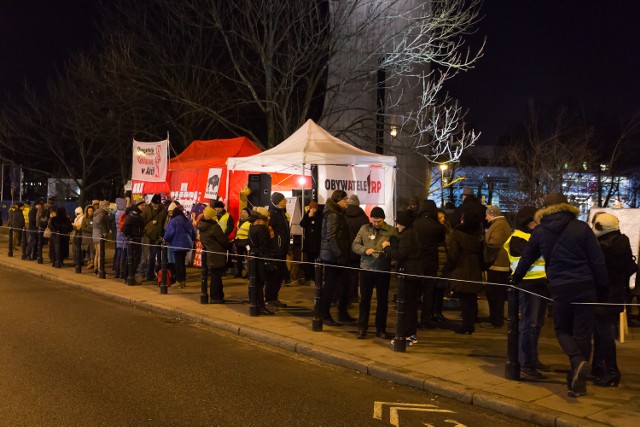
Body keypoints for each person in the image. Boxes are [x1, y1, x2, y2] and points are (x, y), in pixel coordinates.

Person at [511, 192, 608, 398]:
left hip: (560, 287)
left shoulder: (540, 231)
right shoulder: (581, 228)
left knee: (562, 329)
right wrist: (602, 287)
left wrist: (515, 279)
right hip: (585, 285)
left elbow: (527, 258)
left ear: (544, 209)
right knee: (583, 333)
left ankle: (576, 361)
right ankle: (576, 383)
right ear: (566, 206)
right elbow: (597, 260)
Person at [504, 206, 550, 378]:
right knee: (528, 325)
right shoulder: (517, 238)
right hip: (527, 285)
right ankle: (526, 362)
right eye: (535, 221)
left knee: (536, 325)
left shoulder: (533, 236)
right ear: (527, 222)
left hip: (540, 284)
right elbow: (533, 254)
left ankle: (532, 359)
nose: (538, 224)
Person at [591, 212, 634, 387]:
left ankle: (611, 371)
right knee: (603, 333)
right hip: (616, 295)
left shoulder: (602, 247)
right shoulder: (622, 242)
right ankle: (599, 367)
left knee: (604, 334)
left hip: (603, 296)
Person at [352, 206, 397, 339]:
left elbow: (395, 248)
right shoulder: (364, 229)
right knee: (364, 300)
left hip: (383, 269)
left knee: (382, 301)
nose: (376, 224)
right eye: (374, 221)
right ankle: (362, 327)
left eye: (379, 221)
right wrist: (365, 250)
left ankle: (380, 328)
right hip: (366, 268)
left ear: (383, 219)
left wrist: (388, 249)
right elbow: (354, 245)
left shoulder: (391, 231)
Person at [442, 211, 485, 335]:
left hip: (461, 268)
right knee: (471, 298)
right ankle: (470, 324)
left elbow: (453, 254)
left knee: (464, 299)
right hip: (474, 268)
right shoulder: (478, 234)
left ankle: (466, 326)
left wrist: (448, 268)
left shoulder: (458, 233)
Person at [384, 211, 421, 346]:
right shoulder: (410, 234)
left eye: (398, 223)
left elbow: (400, 254)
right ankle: (410, 334)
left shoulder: (407, 236)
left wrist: (387, 248)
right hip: (412, 273)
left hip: (408, 275)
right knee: (410, 305)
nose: (396, 225)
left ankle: (406, 335)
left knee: (407, 306)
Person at [319, 190, 354, 325]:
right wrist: (339, 255)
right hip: (333, 257)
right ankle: (325, 314)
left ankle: (342, 313)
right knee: (330, 286)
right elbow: (331, 236)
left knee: (342, 285)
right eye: (345, 199)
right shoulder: (334, 215)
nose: (347, 202)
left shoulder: (337, 213)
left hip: (335, 255)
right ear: (338, 200)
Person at [412, 199, 446, 329]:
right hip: (431, 261)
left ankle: (413, 319)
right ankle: (425, 320)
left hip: (416, 261)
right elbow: (441, 240)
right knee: (428, 293)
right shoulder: (437, 226)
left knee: (415, 292)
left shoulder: (415, 223)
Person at [482, 205, 512, 328]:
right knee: (496, 295)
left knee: (495, 295)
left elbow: (495, 243)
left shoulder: (499, 225)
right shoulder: (501, 224)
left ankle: (496, 320)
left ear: (492, 214)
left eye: (487, 215)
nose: (486, 217)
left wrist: (483, 242)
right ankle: (495, 319)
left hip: (498, 265)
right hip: (498, 265)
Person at [198, 206, 230, 302]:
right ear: (212, 217)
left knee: (215, 275)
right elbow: (223, 239)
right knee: (216, 276)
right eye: (215, 215)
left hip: (210, 253)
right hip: (217, 253)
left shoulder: (203, 225)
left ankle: (219, 295)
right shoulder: (214, 227)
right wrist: (228, 245)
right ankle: (215, 297)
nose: (216, 217)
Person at [248, 206, 275, 315]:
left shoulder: (252, 226)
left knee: (254, 283)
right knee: (260, 283)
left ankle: (254, 305)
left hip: (253, 257)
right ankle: (260, 306)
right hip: (261, 258)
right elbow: (265, 246)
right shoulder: (263, 228)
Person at [266, 192, 290, 308]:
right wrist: (275, 244)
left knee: (280, 275)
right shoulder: (273, 214)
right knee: (274, 275)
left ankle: (274, 297)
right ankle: (270, 298)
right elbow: (269, 230)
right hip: (276, 250)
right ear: (278, 201)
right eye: (284, 199)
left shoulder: (281, 213)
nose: (286, 201)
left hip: (282, 249)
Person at [164, 205, 197, 290]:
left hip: (177, 244)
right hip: (186, 244)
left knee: (178, 264)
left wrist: (165, 239)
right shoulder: (187, 221)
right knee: (182, 263)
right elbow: (193, 233)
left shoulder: (173, 221)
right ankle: (183, 281)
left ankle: (179, 281)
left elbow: (169, 233)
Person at [344, 194, 369, 303]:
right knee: (354, 273)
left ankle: (343, 298)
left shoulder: (342, 214)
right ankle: (353, 295)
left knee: (343, 273)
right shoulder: (363, 217)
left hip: (344, 249)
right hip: (357, 250)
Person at [141, 194, 167, 281]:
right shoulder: (146, 210)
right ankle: (142, 273)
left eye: (158, 204)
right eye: (154, 204)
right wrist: (145, 231)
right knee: (145, 257)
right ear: (151, 203)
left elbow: (164, 224)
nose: (156, 206)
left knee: (152, 257)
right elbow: (142, 223)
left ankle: (150, 274)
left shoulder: (162, 211)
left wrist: (162, 234)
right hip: (146, 236)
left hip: (156, 237)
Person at [434, 208, 452, 321]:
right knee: (436, 289)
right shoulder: (436, 230)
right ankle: (435, 312)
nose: (442, 220)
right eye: (440, 218)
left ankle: (438, 311)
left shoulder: (447, 229)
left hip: (444, 262)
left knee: (440, 290)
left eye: (443, 217)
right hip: (438, 261)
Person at [122, 201, 145, 285]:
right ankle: (130, 277)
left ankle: (129, 276)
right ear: (138, 206)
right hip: (134, 239)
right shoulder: (133, 215)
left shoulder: (137, 214)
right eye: (142, 205)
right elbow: (126, 227)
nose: (143, 207)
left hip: (136, 239)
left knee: (132, 258)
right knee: (133, 259)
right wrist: (130, 237)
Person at [299, 201, 322, 285]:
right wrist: (308, 217)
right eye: (311, 208)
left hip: (318, 243)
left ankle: (318, 278)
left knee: (319, 261)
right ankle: (310, 277)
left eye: (314, 208)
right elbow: (302, 224)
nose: (312, 209)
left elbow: (320, 225)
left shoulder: (320, 215)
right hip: (309, 244)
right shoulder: (307, 215)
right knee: (310, 262)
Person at [92, 200, 112, 275]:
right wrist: (104, 232)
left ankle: (95, 269)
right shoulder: (102, 213)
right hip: (99, 235)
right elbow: (99, 222)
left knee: (97, 253)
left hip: (95, 234)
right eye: (107, 206)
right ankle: (101, 270)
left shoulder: (96, 212)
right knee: (100, 254)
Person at [233, 207, 252, 278]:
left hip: (246, 242)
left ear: (248, 214)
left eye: (245, 212)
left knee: (248, 258)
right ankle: (239, 272)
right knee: (239, 258)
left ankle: (249, 273)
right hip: (239, 241)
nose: (243, 214)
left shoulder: (250, 222)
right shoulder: (239, 221)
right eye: (242, 212)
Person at [113, 198, 127, 278]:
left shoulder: (116, 213)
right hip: (123, 236)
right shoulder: (123, 213)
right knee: (123, 255)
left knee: (118, 254)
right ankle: (122, 272)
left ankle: (117, 272)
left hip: (118, 235)